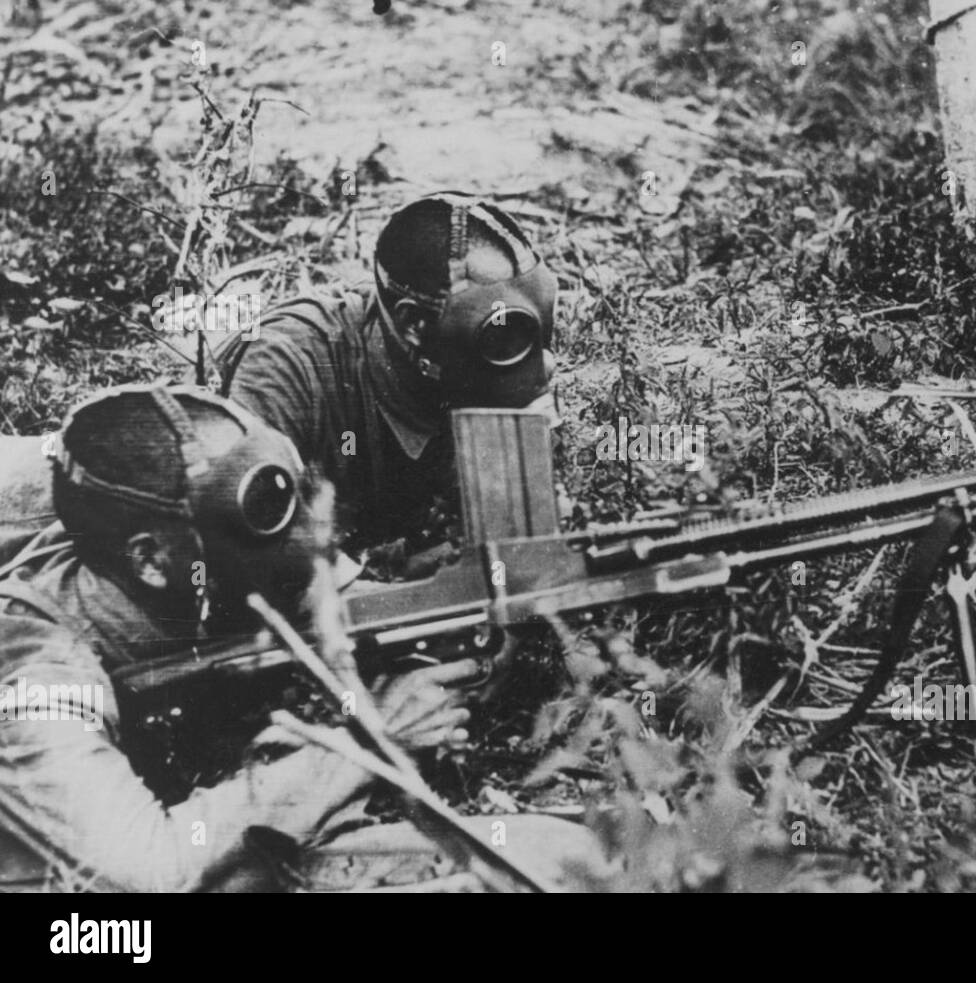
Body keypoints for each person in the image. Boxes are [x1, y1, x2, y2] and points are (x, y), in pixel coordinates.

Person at [0, 383, 582, 892]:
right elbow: (144, 873)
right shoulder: (37, 675)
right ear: (150, 560)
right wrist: (368, 746)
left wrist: (461, 629)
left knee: (563, 855)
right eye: (264, 512)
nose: (304, 532)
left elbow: (345, 607)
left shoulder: (200, 558)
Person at [212, 191, 561, 575]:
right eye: (501, 337)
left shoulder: (465, 378)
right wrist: (394, 587)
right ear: (414, 325)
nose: (543, 366)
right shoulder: (288, 367)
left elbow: (516, 568)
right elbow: (239, 557)